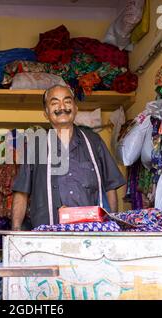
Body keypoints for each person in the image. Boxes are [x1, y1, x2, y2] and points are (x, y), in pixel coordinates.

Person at [11, 84, 126, 230]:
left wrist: (112, 228)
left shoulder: (93, 141)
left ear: (75, 108)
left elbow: (111, 186)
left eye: (67, 101)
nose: (62, 107)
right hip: (48, 235)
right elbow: (22, 192)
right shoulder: (36, 145)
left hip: (91, 233)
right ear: (46, 113)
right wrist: (15, 231)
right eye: (54, 103)